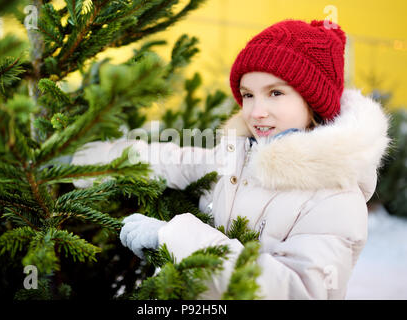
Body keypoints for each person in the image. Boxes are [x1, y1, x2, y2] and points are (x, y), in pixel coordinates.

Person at [71, 19, 391, 299]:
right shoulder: (238, 156)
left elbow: (297, 292)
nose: (256, 111)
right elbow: (171, 160)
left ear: (313, 102)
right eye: (248, 94)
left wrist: (174, 236)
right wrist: (80, 160)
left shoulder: (335, 197)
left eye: (275, 93)